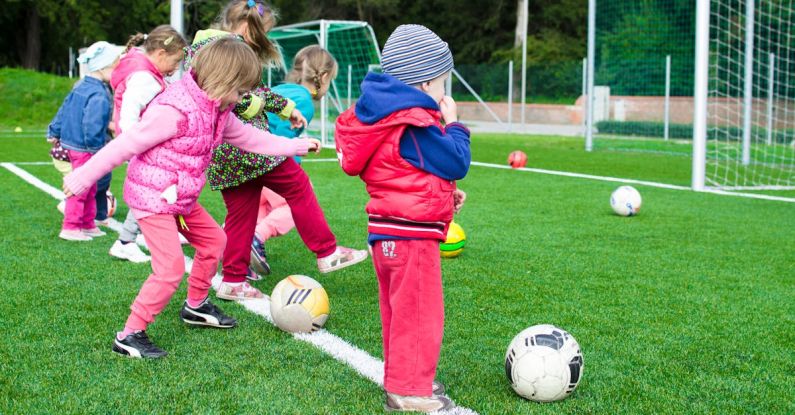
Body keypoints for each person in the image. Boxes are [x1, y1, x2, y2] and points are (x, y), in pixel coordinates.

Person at [62, 38, 321, 359]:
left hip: (180, 198)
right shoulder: (173, 111)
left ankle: (196, 306)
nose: (244, 99)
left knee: (215, 242)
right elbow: (124, 145)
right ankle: (129, 334)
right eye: (241, 92)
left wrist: (294, 146)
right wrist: (82, 177)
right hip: (153, 198)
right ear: (222, 80)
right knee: (169, 269)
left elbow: (249, 138)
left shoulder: (218, 109)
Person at [186, 0, 367, 303]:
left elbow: (252, 92)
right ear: (247, 28)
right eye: (262, 33)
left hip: (224, 154)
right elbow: (238, 97)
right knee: (297, 185)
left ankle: (232, 280)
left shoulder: (206, 47)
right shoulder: (228, 49)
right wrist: (269, 107)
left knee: (242, 214)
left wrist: (287, 108)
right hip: (248, 147)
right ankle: (327, 251)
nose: (260, 41)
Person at [334, 24, 471, 412]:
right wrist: (455, 124)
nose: (445, 93)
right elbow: (456, 159)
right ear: (426, 82)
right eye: (443, 83)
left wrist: (444, 196)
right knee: (419, 314)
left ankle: (404, 378)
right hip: (410, 238)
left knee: (399, 313)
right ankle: (409, 391)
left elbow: (404, 171)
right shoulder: (413, 122)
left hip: (388, 232)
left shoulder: (385, 118)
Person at [248, 45, 338, 278]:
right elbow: (280, 135)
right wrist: (296, 148)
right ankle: (257, 237)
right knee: (293, 203)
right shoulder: (304, 102)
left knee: (258, 207)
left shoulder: (280, 89)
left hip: (248, 159)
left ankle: (237, 248)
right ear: (324, 77)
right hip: (270, 162)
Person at [107, 25, 188, 263]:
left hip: (143, 143)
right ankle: (125, 241)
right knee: (151, 191)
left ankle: (149, 234)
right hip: (142, 145)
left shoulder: (145, 70)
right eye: (175, 62)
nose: (175, 70)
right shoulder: (144, 78)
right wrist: (136, 144)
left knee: (161, 188)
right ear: (161, 54)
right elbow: (130, 115)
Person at [47, 41, 124, 241]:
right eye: (115, 67)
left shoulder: (81, 85)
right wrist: (97, 150)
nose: (117, 72)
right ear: (104, 67)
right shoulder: (99, 93)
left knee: (90, 186)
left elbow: (64, 107)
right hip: (86, 148)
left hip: (76, 144)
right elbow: (92, 124)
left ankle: (87, 224)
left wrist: (54, 129)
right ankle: (71, 227)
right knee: (82, 187)